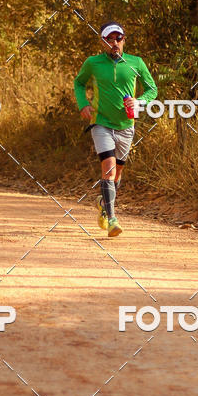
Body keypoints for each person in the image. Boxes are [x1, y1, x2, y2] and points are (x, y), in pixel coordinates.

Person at [73, 22, 157, 237]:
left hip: (126, 126)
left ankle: (103, 202)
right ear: (102, 42)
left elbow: (152, 89)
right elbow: (79, 83)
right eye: (109, 39)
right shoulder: (93, 63)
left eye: (118, 38)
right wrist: (83, 103)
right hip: (101, 122)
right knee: (108, 168)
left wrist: (140, 102)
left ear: (124, 40)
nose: (114, 43)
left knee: (117, 172)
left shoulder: (136, 63)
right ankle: (112, 219)